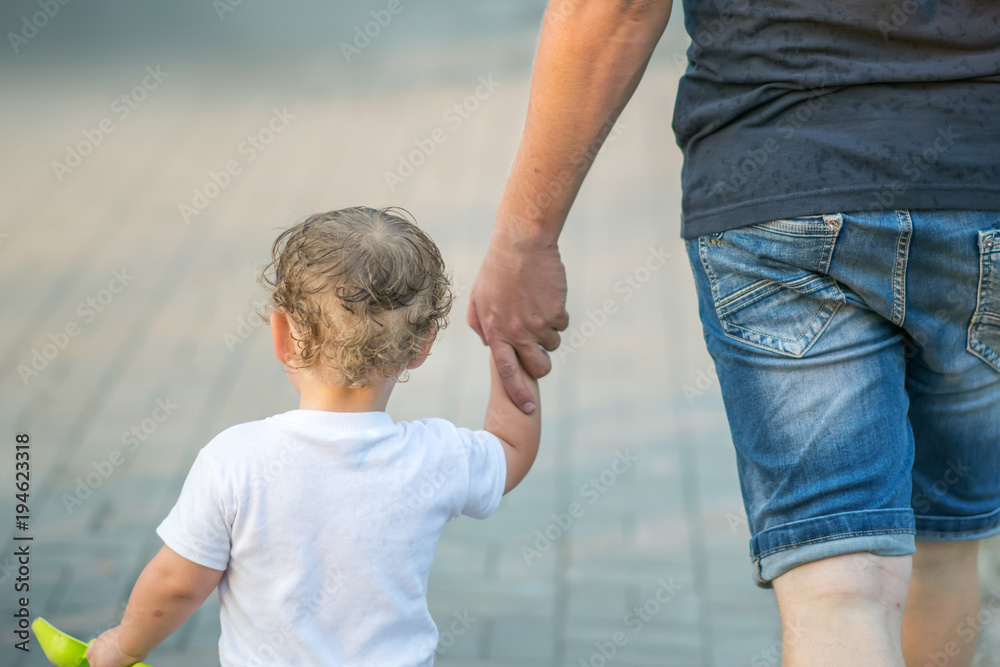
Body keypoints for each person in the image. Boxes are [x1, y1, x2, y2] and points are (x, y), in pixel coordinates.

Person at [466, 1, 1000, 665]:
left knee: (837, 586)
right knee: (944, 548)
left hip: (778, 189)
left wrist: (526, 234)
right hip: (978, 185)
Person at [86, 207, 541, 666]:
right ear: (421, 346)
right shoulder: (435, 457)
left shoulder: (234, 461)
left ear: (282, 333)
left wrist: (124, 647)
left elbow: (177, 584)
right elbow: (512, 447)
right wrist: (510, 341)